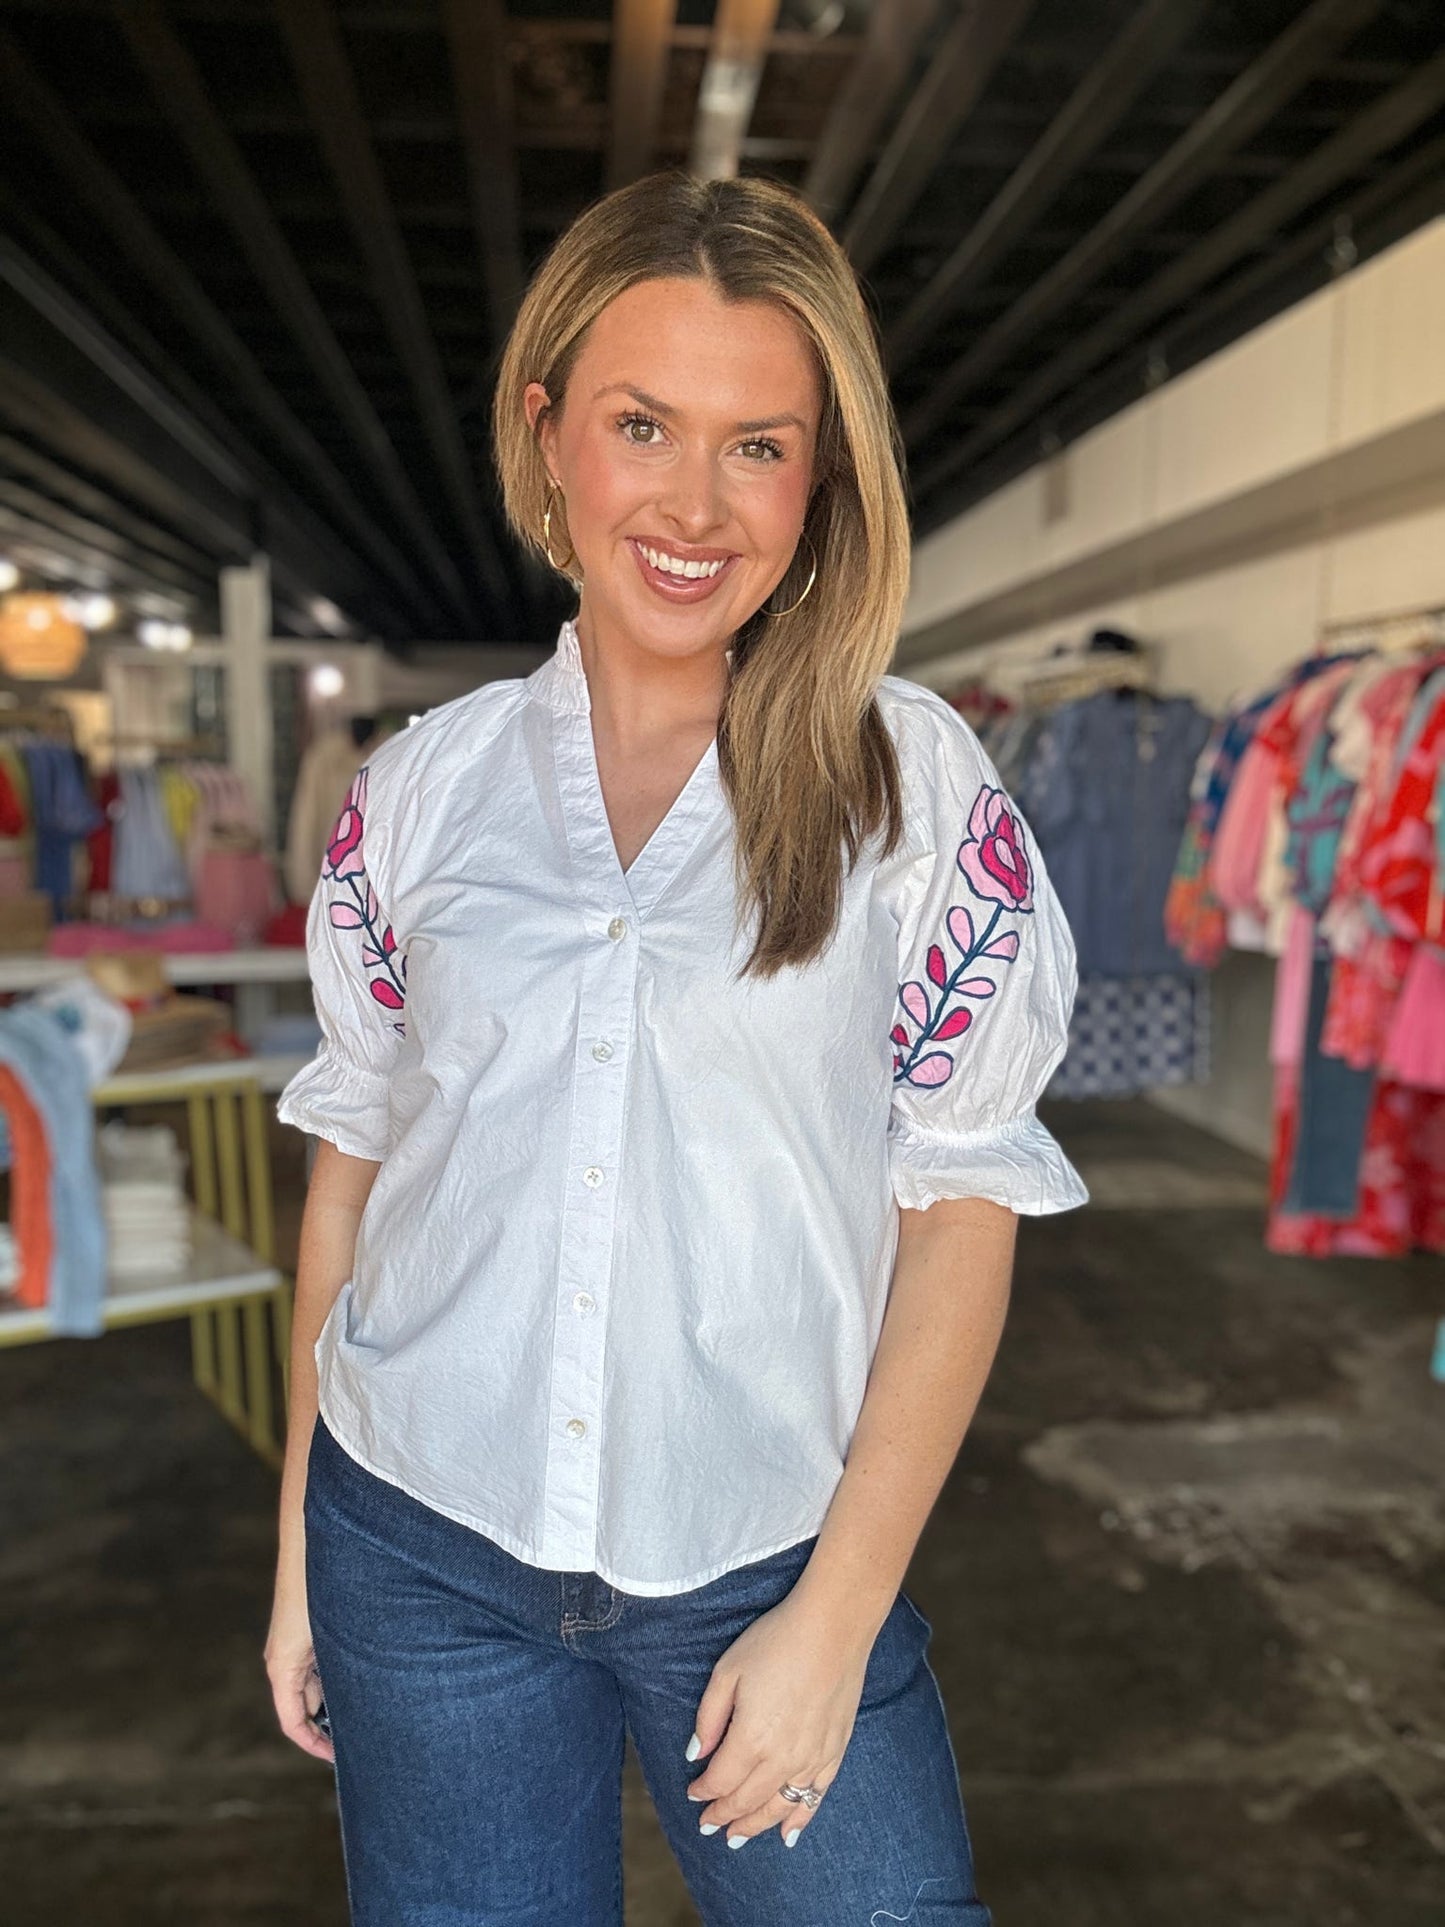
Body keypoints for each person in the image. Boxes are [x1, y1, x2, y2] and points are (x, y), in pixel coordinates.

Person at [266, 167, 1088, 1926]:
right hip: (417, 1549)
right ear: (547, 429)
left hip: (769, 1559)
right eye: (643, 424)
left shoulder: (909, 788)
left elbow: (959, 1219)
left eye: (758, 444)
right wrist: (297, 1568)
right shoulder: (419, 791)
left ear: (823, 475)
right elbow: (351, 1192)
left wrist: (838, 1615)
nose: (695, 505)